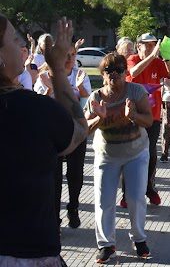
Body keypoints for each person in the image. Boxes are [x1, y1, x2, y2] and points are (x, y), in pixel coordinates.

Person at [0, 15, 88, 266]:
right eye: (14, 40)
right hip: (28, 252)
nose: (21, 47)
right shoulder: (32, 109)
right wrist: (58, 69)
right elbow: (78, 130)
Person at [84, 52, 154, 263]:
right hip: (107, 155)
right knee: (104, 201)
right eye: (108, 71)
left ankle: (139, 239)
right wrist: (98, 118)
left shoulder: (136, 91)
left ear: (126, 72)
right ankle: (106, 244)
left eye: (119, 70)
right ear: (102, 74)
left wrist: (133, 115)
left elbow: (149, 121)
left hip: (136, 152)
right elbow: (85, 129)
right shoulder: (96, 97)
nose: (114, 75)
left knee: (135, 198)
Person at [33, 45, 91, 228]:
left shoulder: (80, 74)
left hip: (75, 128)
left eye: (73, 55)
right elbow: (39, 102)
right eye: (66, 55)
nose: (70, 59)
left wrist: (80, 88)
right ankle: (54, 217)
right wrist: (50, 89)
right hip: (51, 131)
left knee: (75, 174)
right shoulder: (44, 75)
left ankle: (73, 207)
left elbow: (85, 100)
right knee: (54, 176)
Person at [125, 33, 170, 205]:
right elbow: (134, 72)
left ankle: (149, 188)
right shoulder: (132, 59)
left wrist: (165, 57)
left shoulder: (157, 61)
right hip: (132, 114)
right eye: (146, 45)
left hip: (153, 115)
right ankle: (127, 194)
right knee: (131, 153)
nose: (150, 48)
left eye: (153, 44)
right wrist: (150, 56)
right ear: (138, 45)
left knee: (150, 153)